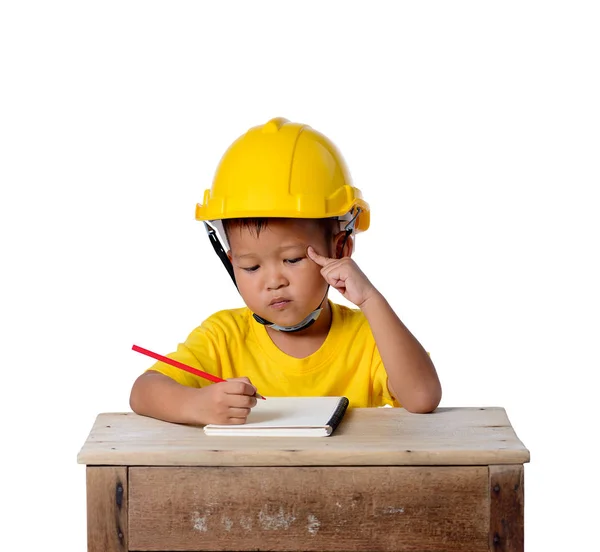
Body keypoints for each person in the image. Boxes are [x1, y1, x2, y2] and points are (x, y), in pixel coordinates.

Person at [129, 117, 441, 425]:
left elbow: (422, 397)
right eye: (251, 266)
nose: (274, 281)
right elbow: (143, 392)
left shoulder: (368, 338)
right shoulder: (223, 337)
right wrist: (196, 405)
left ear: (340, 250)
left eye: (292, 259)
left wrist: (371, 299)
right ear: (231, 261)